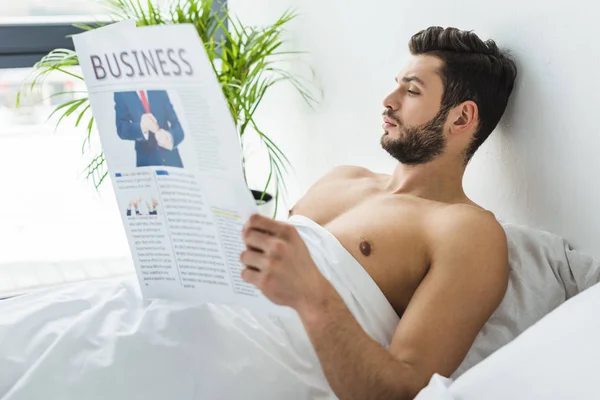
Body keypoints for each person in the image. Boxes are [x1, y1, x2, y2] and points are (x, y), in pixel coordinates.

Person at [239, 26, 518, 400]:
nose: (388, 100)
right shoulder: (342, 178)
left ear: (461, 118)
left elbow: (402, 388)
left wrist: (312, 293)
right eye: (396, 85)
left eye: (412, 90)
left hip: (243, 363)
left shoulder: (465, 229)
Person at [114, 89, 185, 168]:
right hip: (147, 162)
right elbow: (122, 128)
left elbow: (177, 126)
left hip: (172, 161)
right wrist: (141, 127)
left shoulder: (158, 89)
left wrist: (171, 137)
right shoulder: (121, 93)